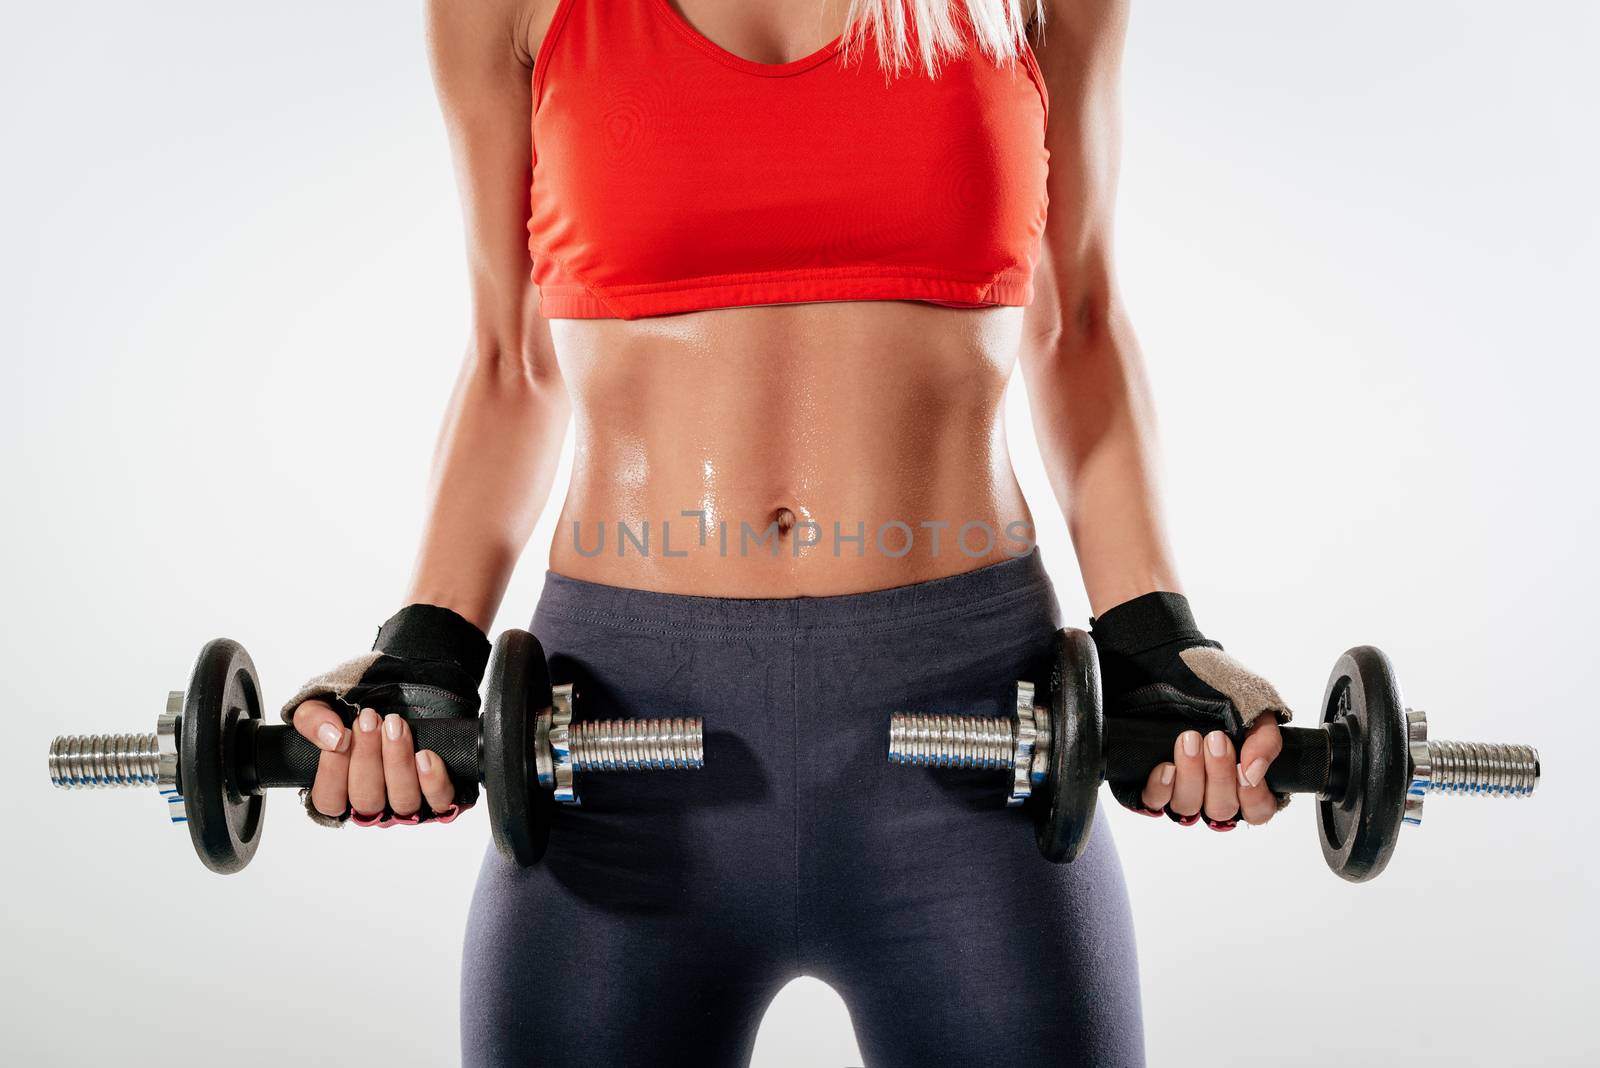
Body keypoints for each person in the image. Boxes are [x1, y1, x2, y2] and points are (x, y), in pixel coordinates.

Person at [285, 2, 1292, 1064]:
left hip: (977, 733)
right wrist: (427, 651)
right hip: (612, 742)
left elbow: (1076, 325)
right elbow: (509, 362)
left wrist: (1153, 638)